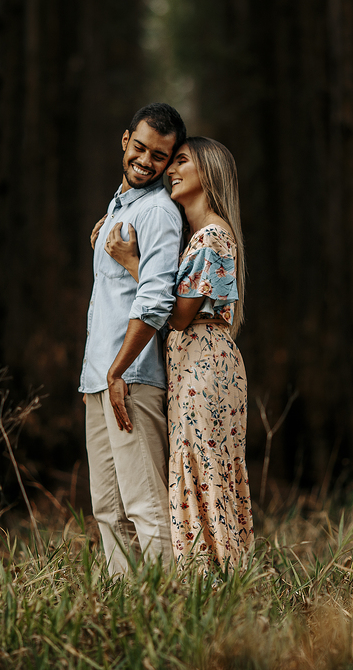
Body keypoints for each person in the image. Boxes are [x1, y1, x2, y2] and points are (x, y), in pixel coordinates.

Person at [102, 136, 252, 570]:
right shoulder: (200, 237)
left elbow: (182, 315)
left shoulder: (212, 237)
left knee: (202, 467)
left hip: (205, 365)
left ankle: (211, 579)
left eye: (181, 161)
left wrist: (134, 264)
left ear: (208, 173)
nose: (171, 168)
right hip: (199, 365)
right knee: (204, 468)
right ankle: (212, 576)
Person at [79, 103, 186, 576]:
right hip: (100, 377)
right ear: (125, 141)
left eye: (159, 156)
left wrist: (119, 370)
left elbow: (156, 301)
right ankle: (128, 617)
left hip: (132, 377)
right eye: (140, 148)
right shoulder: (120, 206)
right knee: (108, 511)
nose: (146, 161)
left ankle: (171, 617)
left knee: (144, 506)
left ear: (168, 161)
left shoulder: (159, 212)